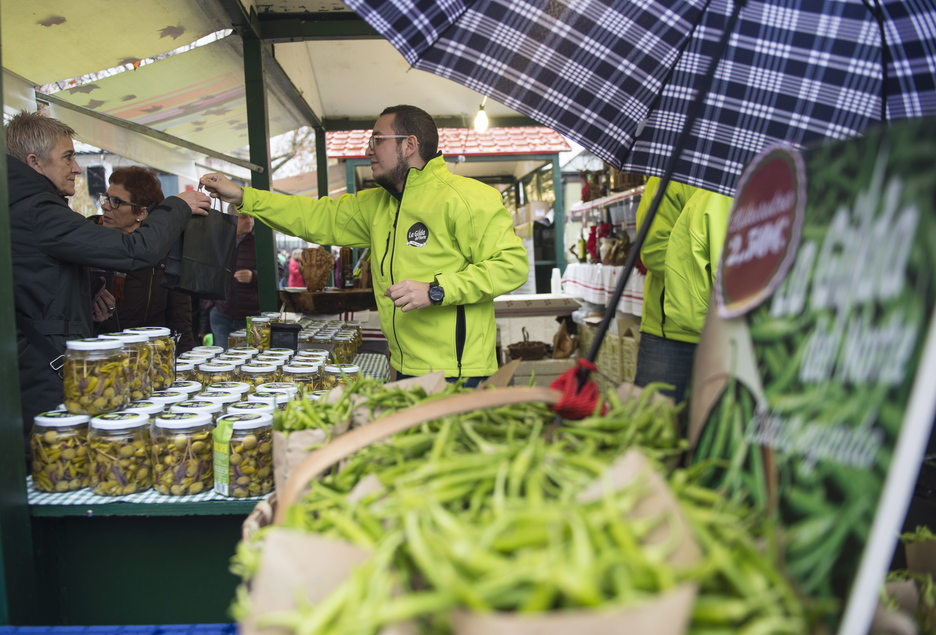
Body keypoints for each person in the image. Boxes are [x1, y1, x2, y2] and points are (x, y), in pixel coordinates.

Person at [200, 104, 528, 386]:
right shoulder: (377, 205)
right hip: (401, 364)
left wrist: (436, 290)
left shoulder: (467, 197)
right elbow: (313, 216)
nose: (368, 149)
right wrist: (245, 197)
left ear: (409, 144)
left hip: (457, 371)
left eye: (377, 139)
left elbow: (511, 266)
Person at [7, 111, 211, 442]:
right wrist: (177, 205)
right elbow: (137, 252)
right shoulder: (37, 211)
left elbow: (33, 272)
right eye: (68, 156)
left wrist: (83, 292)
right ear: (35, 162)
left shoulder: (24, 206)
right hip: (44, 369)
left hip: (43, 361)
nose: (76, 168)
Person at [93, 166, 196, 352]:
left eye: (116, 201)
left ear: (141, 213)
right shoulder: (86, 243)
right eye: (106, 197)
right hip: (102, 356)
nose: (105, 205)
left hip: (151, 357)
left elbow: (179, 317)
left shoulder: (168, 250)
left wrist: (184, 362)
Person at [632, 177, 700, 403]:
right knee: (652, 425)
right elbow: (654, 250)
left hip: (733, 330)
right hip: (671, 333)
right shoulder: (674, 175)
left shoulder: (763, 177)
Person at [204, 205, 259, 350]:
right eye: (243, 217)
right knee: (223, 358)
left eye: (251, 216)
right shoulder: (218, 241)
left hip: (250, 316)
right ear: (231, 218)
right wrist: (210, 306)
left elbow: (277, 271)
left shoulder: (260, 242)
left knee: (248, 360)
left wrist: (253, 276)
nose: (249, 220)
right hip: (221, 313)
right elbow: (205, 276)